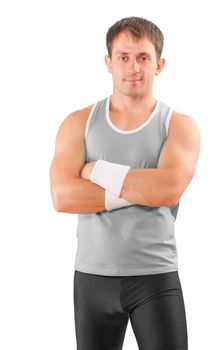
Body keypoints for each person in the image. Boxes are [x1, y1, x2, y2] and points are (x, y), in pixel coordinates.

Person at [49, 16, 200, 350]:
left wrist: (96, 171)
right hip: (92, 278)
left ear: (159, 64)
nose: (133, 67)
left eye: (143, 57)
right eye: (124, 57)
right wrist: (146, 187)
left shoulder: (179, 126)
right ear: (108, 62)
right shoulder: (78, 123)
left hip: (156, 278)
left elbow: (169, 189)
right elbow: (62, 196)